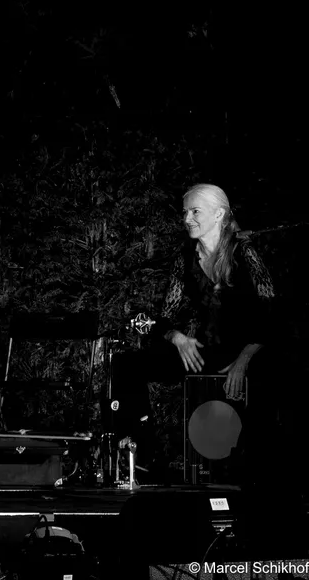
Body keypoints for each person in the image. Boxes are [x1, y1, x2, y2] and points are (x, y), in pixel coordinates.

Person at [111, 183, 281, 484]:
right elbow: (165, 316)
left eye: (195, 211)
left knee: (272, 376)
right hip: (206, 353)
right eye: (185, 212)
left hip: (248, 353)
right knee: (127, 365)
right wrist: (177, 337)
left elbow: (271, 314)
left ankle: (260, 477)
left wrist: (244, 360)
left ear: (219, 215)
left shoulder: (243, 252)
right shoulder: (186, 257)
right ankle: (143, 456)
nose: (187, 219)